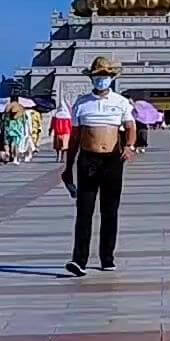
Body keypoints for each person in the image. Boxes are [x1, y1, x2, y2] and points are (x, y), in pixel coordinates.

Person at [63, 56, 136, 277]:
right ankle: (79, 260)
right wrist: (68, 166)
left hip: (112, 160)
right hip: (88, 160)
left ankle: (107, 257)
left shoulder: (121, 102)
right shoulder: (82, 103)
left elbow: (130, 125)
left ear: (111, 78)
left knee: (109, 210)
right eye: (98, 76)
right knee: (84, 211)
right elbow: (75, 136)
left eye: (105, 76)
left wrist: (130, 146)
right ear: (92, 78)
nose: (101, 80)